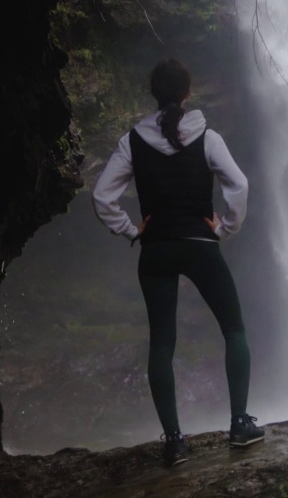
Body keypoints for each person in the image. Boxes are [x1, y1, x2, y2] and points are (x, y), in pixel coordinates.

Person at [91, 58, 264, 466]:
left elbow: (102, 196)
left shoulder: (132, 140)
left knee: (162, 344)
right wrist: (224, 229)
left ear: (154, 94)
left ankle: (174, 442)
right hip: (199, 244)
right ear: (188, 93)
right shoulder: (208, 137)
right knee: (234, 328)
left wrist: (132, 229)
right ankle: (240, 424)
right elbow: (238, 185)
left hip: (157, 250)